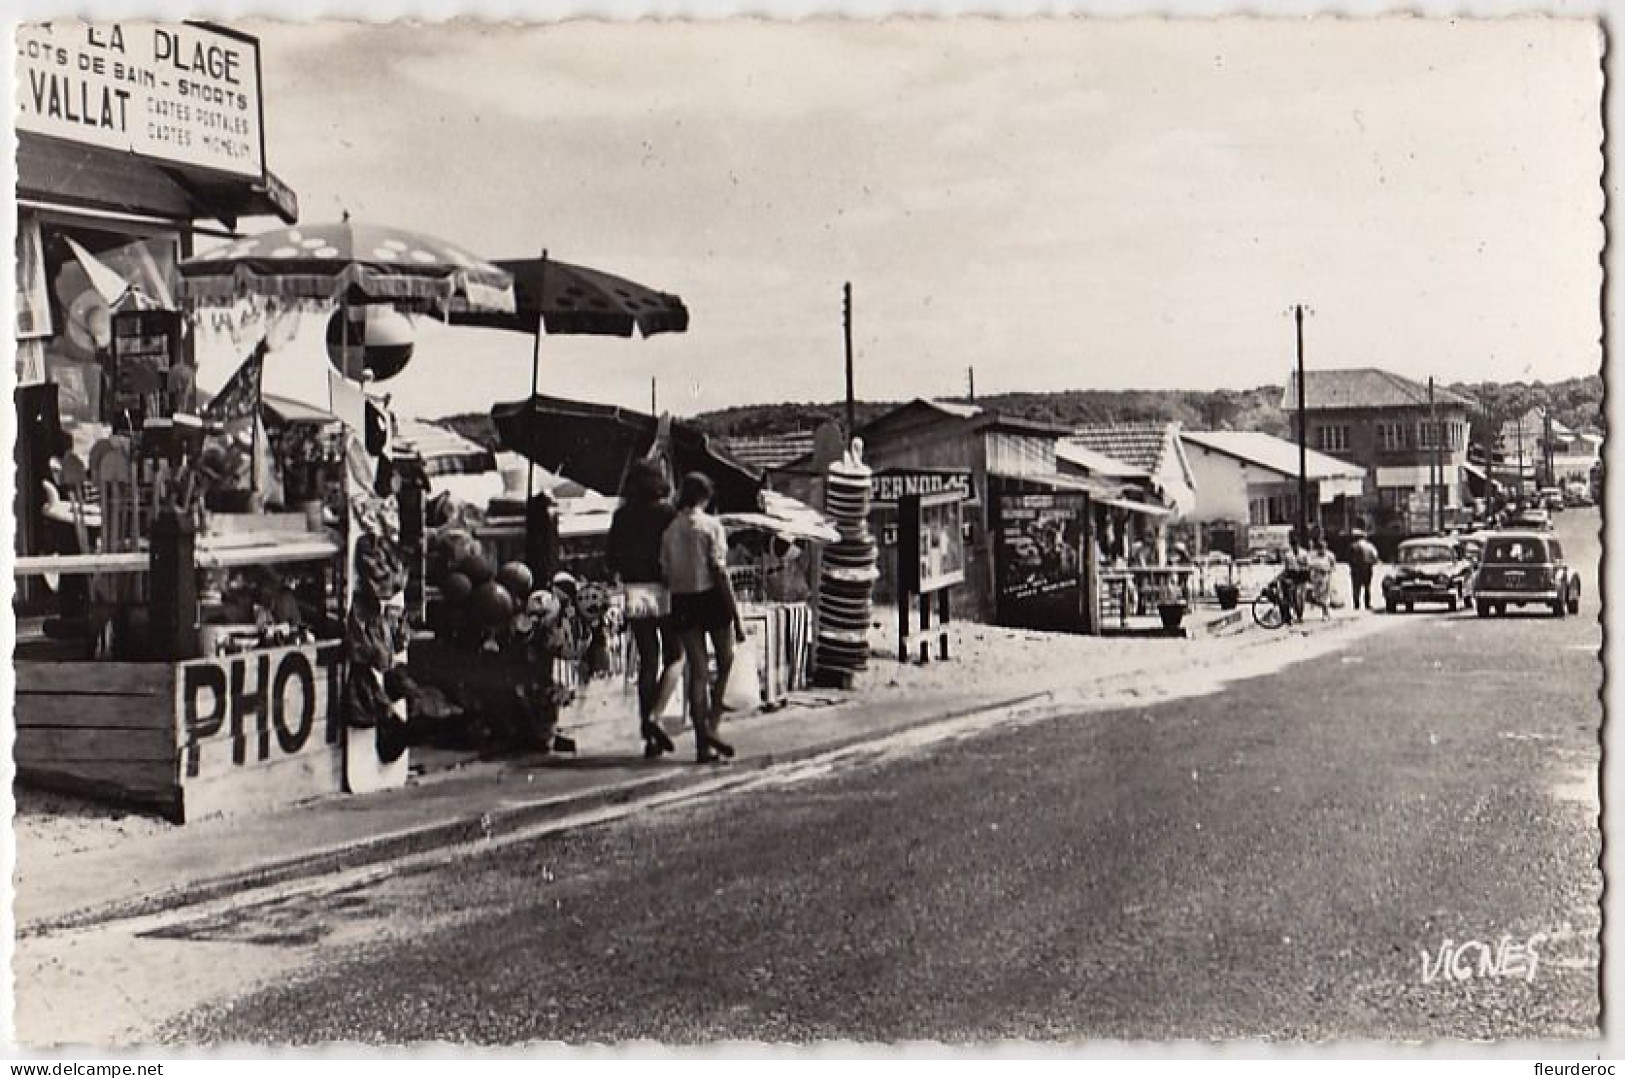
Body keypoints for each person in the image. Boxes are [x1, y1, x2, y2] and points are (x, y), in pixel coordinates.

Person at [661, 471, 745, 764]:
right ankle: (712, 726)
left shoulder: (670, 530)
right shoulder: (711, 526)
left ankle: (702, 743)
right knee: (726, 662)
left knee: (697, 671)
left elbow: (666, 572)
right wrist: (737, 616)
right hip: (711, 597)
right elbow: (720, 572)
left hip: (682, 600)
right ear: (704, 497)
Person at [607, 459, 682, 759]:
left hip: (635, 591)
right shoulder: (667, 513)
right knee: (676, 656)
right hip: (665, 590)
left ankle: (648, 732)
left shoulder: (623, 515)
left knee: (647, 661)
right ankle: (657, 715)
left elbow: (611, 557)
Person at [1349, 530, 1380, 611]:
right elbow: (1375, 556)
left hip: (1355, 569)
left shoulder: (1352, 546)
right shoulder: (1369, 546)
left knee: (1356, 587)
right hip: (1367, 568)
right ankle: (1367, 604)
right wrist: (1372, 563)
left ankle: (1356, 605)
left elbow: (1348, 558)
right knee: (1367, 586)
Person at [1306, 537, 1335, 620]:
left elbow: (1333, 567)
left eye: (1324, 547)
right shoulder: (1313, 555)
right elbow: (1309, 565)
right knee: (1317, 597)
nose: (1322, 550)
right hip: (1316, 578)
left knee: (1325, 596)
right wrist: (1316, 568)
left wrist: (1327, 570)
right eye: (1320, 548)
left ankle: (1325, 614)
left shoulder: (1330, 555)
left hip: (1326, 577)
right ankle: (1326, 612)